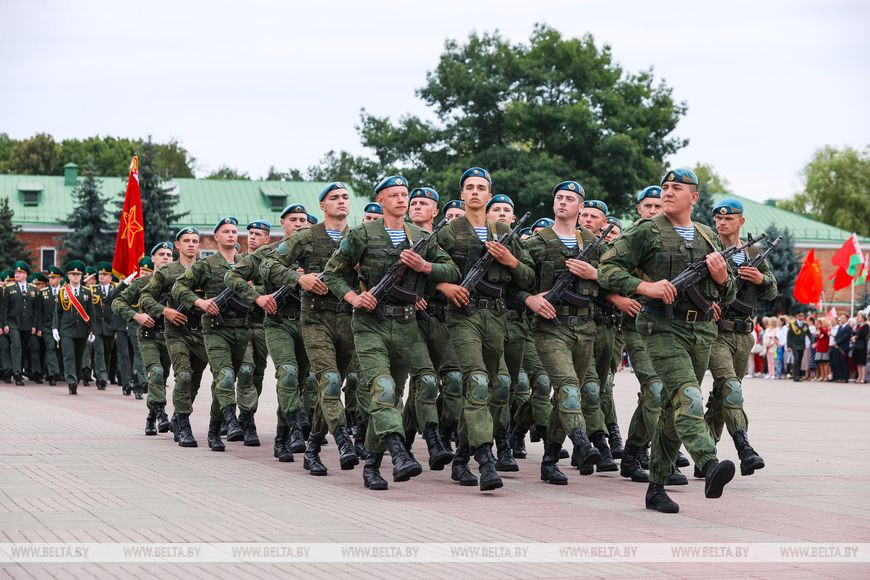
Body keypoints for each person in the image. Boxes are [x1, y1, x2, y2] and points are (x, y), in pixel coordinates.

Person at [599, 168, 737, 514]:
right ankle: (708, 463)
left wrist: (722, 279)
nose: (668, 192)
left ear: (694, 197)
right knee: (687, 395)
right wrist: (646, 287)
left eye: (677, 188)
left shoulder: (708, 236)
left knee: (671, 409)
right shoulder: (646, 231)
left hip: (702, 330)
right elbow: (607, 269)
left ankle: (656, 486)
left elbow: (731, 289)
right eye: (665, 187)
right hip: (660, 327)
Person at [322, 174, 460, 490]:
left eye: (404, 195)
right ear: (381, 200)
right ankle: (399, 453)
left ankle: (372, 464)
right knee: (382, 389)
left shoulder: (420, 236)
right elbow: (333, 273)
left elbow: (451, 270)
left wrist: (424, 267)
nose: (401, 199)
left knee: (392, 396)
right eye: (394, 195)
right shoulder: (362, 234)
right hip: (371, 324)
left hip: (407, 325)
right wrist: (354, 297)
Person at [434, 167, 534, 492]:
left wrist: (510, 261)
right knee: (476, 383)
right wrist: (444, 287)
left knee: (490, 390)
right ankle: (485, 460)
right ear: (462, 194)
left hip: (496, 319)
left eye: (481, 188)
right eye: (469, 187)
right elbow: (424, 272)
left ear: (489, 196)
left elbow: (529, 277)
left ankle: (461, 458)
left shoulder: (503, 231)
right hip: (463, 317)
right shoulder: (448, 233)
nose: (475, 192)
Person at [261, 184, 362, 475]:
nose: (341, 202)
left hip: (348, 319)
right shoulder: (306, 237)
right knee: (328, 381)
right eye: (334, 198)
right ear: (322, 206)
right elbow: (268, 264)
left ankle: (312, 447)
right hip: (315, 319)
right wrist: (297, 279)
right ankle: (343, 441)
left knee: (329, 387)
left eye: (345, 198)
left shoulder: (358, 238)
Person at [520, 180, 612, 485]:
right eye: (558, 197)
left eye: (569, 198)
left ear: (580, 206)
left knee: (566, 395)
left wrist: (595, 275)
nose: (562, 202)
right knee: (570, 389)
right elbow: (516, 283)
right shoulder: (536, 242)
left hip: (586, 329)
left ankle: (550, 458)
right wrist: (529, 299)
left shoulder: (592, 243)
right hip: (550, 329)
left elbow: (613, 280)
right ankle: (582, 443)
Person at [228, 205, 312, 460]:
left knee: (299, 383)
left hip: (310, 323)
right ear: (283, 224)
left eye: (303, 220)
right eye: (293, 220)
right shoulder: (268, 253)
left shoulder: (317, 252)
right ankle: (296, 427)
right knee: (287, 375)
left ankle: (282, 435)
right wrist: (258, 298)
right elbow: (233, 277)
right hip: (279, 322)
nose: (298, 224)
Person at [172, 217, 258, 451]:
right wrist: (200, 302)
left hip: (242, 328)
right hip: (215, 329)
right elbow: (178, 287)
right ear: (216, 237)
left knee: (239, 376)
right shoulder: (206, 265)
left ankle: (213, 430)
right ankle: (230, 419)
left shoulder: (246, 263)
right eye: (225, 231)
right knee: (226, 377)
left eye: (234, 231)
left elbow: (264, 288)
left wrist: (253, 290)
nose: (231, 235)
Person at [705, 198, 776, 477]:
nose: (722, 223)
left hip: (744, 334)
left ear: (741, 221)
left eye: (729, 218)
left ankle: (706, 452)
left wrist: (761, 280)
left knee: (723, 395)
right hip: (716, 332)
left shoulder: (754, 251)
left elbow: (772, 291)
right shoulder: (707, 249)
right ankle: (744, 448)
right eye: (718, 218)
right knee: (731, 388)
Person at [402, 186, 459, 470]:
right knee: (424, 381)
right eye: (414, 202)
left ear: (435, 211)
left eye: (424, 203)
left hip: (443, 319)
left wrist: (432, 277)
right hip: (408, 321)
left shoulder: (444, 239)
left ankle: (407, 437)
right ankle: (435, 440)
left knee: (452, 382)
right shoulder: (400, 235)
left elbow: (454, 271)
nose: (417, 207)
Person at [139, 227, 211, 447]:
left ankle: (180, 414)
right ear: (177, 245)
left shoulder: (207, 270)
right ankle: (184, 423)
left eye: (195, 241)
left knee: (195, 382)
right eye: (186, 241)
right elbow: (144, 297)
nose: (191, 244)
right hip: (176, 331)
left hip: (201, 332)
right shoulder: (167, 272)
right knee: (184, 375)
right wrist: (165, 311)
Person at [52, 260, 95, 395]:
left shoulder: (87, 292)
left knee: (78, 356)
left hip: (82, 330)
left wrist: (92, 330)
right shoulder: (62, 291)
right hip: (66, 330)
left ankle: (75, 378)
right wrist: (55, 328)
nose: (76, 276)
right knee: (68, 356)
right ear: (68, 276)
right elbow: (57, 311)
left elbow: (91, 312)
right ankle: (71, 381)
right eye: (73, 274)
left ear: (81, 276)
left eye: (78, 274)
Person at [5, 261, 40, 385]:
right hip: (13, 323)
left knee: (24, 347)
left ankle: (20, 369)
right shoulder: (9, 289)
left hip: (27, 324)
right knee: (16, 345)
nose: (17, 274)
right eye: (16, 272)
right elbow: (5, 308)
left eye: (20, 272)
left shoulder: (33, 289)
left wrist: (35, 325)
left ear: (25, 275)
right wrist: (4, 324)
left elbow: (36, 310)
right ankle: (17, 373)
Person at [786, 314, 808, 382]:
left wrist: (813, 341)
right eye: (799, 316)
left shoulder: (805, 325)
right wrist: (789, 345)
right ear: (797, 317)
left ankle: (798, 375)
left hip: (802, 345)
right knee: (796, 359)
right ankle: (796, 376)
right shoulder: (792, 324)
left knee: (800, 360)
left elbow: (809, 333)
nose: (801, 317)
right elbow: (789, 335)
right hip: (794, 345)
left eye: (802, 316)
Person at [853, 313, 868, 383]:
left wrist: (855, 337)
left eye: (859, 316)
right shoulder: (858, 325)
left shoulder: (866, 326)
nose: (857, 318)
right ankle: (859, 376)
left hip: (862, 345)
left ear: (863, 318)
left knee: (862, 362)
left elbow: (863, 335)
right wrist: (853, 337)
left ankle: (863, 377)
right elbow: (854, 333)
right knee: (858, 362)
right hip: (856, 345)